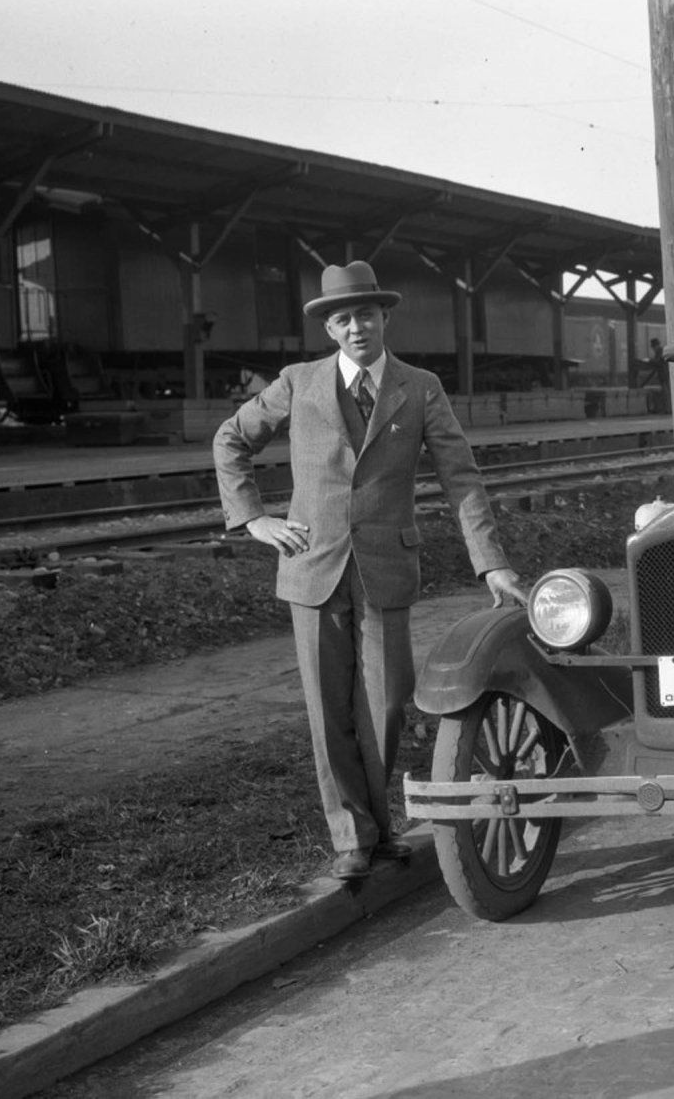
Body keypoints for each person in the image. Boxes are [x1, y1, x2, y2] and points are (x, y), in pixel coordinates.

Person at [213, 260, 527, 882]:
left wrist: (490, 563)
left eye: (365, 314)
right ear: (329, 329)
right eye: (342, 318)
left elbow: (460, 476)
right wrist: (254, 520)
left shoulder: (420, 386)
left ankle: (379, 825)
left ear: (385, 317)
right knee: (328, 709)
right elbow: (230, 439)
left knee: (384, 704)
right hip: (312, 567)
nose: (355, 327)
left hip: (385, 567)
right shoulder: (297, 383)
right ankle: (354, 835)